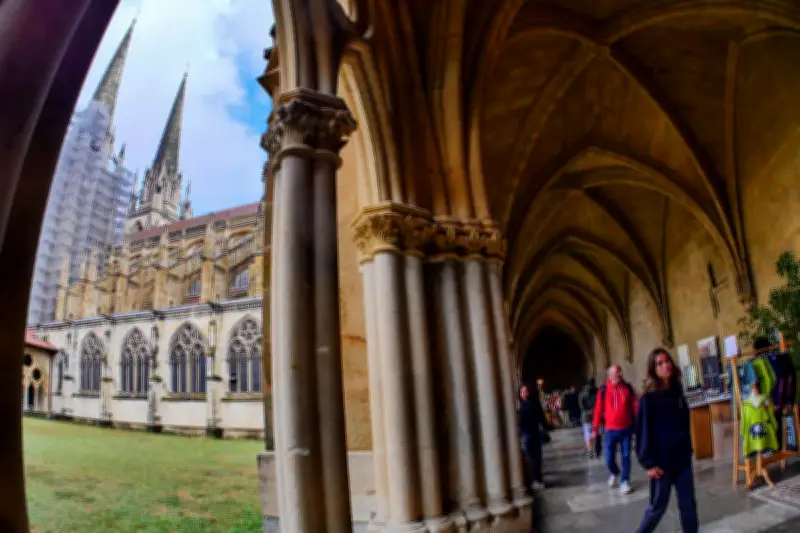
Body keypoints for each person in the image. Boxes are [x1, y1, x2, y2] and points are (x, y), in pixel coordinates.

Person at [635, 348, 698, 533]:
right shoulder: (648, 398)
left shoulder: (676, 391)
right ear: (653, 369)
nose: (666, 365)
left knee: (688, 506)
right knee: (657, 508)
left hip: (682, 460)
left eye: (667, 361)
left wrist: (687, 448)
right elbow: (642, 432)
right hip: (661, 465)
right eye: (660, 363)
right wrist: (648, 463)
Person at [592, 364, 638, 494]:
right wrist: (595, 429)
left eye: (620, 371)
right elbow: (598, 410)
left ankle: (624, 481)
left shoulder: (627, 388)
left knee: (626, 455)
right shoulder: (603, 391)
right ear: (610, 375)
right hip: (610, 430)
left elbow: (635, 405)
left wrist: (640, 415)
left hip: (626, 428)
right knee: (608, 457)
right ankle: (614, 472)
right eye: (617, 372)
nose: (620, 374)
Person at [518, 383, 550, 490]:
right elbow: (542, 419)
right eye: (522, 392)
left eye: (525, 392)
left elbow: (521, 422)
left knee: (532, 459)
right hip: (533, 433)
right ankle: (537, 479)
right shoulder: (533, 404)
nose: (524, 394)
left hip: (529, 434)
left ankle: (536, 480)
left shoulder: (527, 405)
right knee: (535, 458)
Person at [579, 378, 598, 458]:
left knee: (587, 434)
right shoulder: (596, 391)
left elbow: (581, 405)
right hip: (595, 415)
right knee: (595, 433)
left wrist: (587, 410)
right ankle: (594, 449)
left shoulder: (582, 393)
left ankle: (590, 451)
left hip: (585, 416)